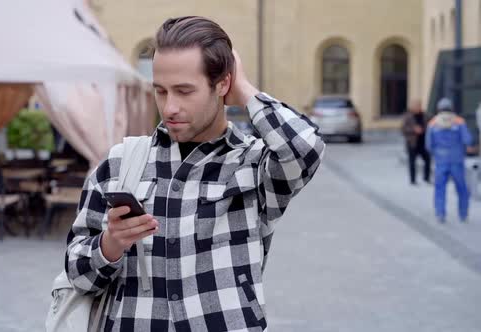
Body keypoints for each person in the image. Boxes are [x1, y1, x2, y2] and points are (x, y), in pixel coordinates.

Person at [65, 16, 325, 331]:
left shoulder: (254, 165)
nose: (169, 107)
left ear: (222, 84)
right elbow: (77, 274)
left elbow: (305, 147)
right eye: (160, 91)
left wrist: (244, 90)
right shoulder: (119, 164)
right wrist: (110, 244)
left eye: (184, 91)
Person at [426, 97, 473, 223]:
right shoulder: (459, 121)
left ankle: (440, 214)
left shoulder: (432, 123)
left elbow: (429, 145)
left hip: (441, 161)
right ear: (452, 108)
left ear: (438, 109)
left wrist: (437, 152)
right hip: (457, 160)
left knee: (440, 187)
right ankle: (463, 214)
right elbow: (467, 140)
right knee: (461, 187)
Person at [401, 99, 431, 185]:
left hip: (423, 142)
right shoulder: (407, 116)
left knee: (427, 160)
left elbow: (430, 125)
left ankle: (426, 178)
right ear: (412, 107)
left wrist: (424, 129)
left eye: (419, 105)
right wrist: (414, 130)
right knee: (412, 162)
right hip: (412, 143)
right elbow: (403, 129)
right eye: (416, 106)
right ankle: (413, 180)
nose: (418, 107)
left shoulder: (425, 115)